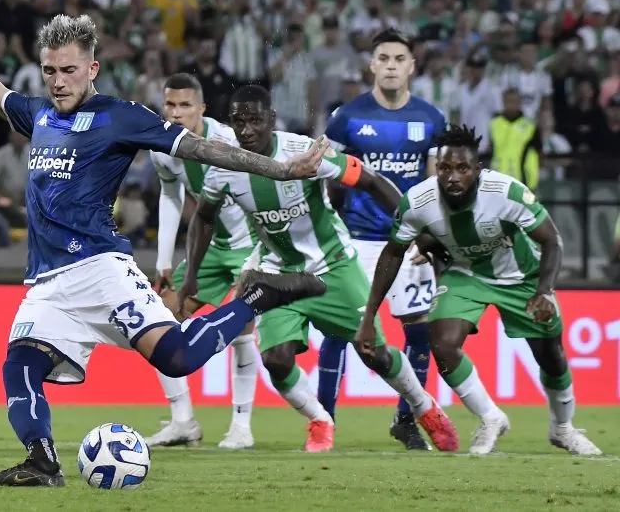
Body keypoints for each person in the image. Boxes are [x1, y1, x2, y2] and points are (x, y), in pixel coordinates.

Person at [0, 13, 329, 487]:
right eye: (50, 71)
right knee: (19, 366)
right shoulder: (37, 114)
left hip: (100, 267)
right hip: (48, 282)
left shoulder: (121, 117)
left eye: (69, 71)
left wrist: (281, 170)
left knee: (176, 358)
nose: (58, 82)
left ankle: (256, 298)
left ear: (93, 69)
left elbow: (202, 149)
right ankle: (42, 463)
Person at [187, 86, 458, 453]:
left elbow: (372, 181)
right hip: (279, 274)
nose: (247, 130)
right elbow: (203, 217)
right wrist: (190, 276)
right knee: (275, 360)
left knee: (372, 351)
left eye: (254, 120)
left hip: (333, 267)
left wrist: (414, 230)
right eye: (239, 122)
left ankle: (426, 409)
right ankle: (319, 419)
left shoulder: (305, 152)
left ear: (271, 119)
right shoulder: (225, 167)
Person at [356, 125, 602, 456]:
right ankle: (490, 417)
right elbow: (393, 252)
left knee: (551, 357)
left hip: (520, 277)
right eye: (444, 168)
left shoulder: (506, 193)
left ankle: (563, 428)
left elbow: (551, 240)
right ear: (436, 168)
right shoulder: (418, 201)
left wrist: (544, 290)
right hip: (465, 274)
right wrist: (370, 313)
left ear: (478, 170)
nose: (452, 177)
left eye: (462, 168)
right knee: (441, 343)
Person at [315, 28, 447, 450]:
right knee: (340, 330)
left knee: (419, 333)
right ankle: (325, 421)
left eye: (399, 59)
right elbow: (323, 178)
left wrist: (430, 237)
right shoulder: (346, 117)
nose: (391, 65)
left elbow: (436, 184)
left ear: (412, 66)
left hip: (407, 243)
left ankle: (407, 420)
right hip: (356, 240)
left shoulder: (431, 118)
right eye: (383, 58)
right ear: (371, 65)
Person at [146, 73, 259, 450]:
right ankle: (183, 422)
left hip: (249, 245)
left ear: (202, 109)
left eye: (185, 106)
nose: (176, 113)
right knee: (160, 319)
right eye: (170, 105)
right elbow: (170, 197)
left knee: (241, 327)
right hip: (209, 250)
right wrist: (164, 260)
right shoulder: (161, 146)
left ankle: (241, 426)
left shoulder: (228, 141)